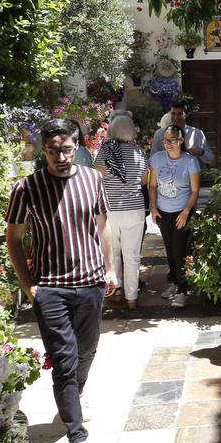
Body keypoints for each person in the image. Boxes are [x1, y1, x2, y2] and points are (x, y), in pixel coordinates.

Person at [6, 118, 115, 443]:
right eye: (53, 150)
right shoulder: (27, 188)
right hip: (50, 288)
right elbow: (14, 239)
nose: (60, 156)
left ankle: (75, 395)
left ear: (77, 146)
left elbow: (102, 225)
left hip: (90, 283)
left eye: (66, 148)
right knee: (64, 361)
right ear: (44, 150)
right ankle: (76, 436)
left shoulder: (92, 179)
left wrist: (110, 268)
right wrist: (28, 285)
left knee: (87, 351)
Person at [94, 112, 148, 311]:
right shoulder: (140, 152)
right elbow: (143, 180)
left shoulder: (106, 151)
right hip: (135, 208)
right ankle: (132, 298)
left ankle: (116, 291)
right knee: (132, 255)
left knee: (113, 252)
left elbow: (96, 177)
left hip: (111, 210)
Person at [148, 123, 202, 307]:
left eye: (172, 140)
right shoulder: (156, 159)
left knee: (180, 251)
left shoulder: (190, 161)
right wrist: (153, 207)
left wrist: (186, 212)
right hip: (163, 211)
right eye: (165, 140)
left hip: (182, 211)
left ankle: (183, 290)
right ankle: (173, 282)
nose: (168, 144)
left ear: (181, 140)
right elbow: (153, 185)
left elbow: (195, 191)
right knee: (169, 249)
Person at [149, 98, 214, 167]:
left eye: (180, 114)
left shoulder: (197, 134)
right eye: (173, 114)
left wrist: (200, 152)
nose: (176, 117)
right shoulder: (160, 134)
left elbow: (210, 159)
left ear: (186, 114)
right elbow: (152, 159)